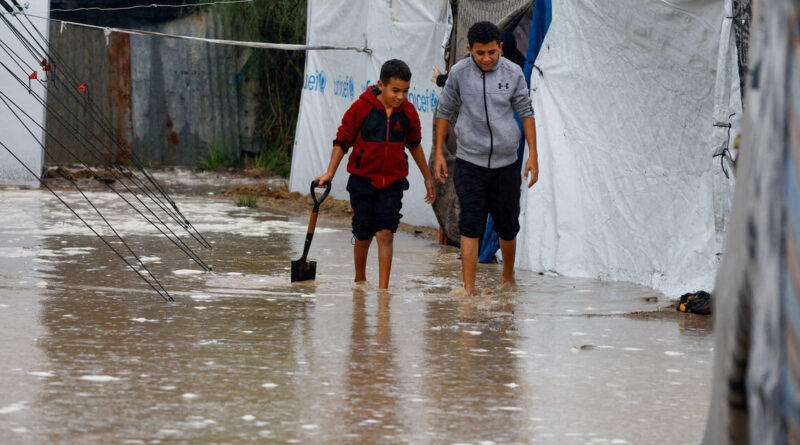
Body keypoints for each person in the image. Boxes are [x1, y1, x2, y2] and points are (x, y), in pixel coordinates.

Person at [432, 21, 539, 295]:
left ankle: (507, 280)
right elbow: (444, 111)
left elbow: (526, 113)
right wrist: (438, 154)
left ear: (500, 48)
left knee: (508, 226)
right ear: (470, 50)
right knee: (470, 224)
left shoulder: (514, 73)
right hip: (470, 163)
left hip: (506, 164)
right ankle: (468, 291)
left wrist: (533, 155)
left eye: (492, 52)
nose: (487, 58)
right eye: (480, 53)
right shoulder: (458, 74)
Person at [315, 59, 436, 289]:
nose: (401, 96)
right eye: (396, 90)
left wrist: (427, 177)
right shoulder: (361, 108)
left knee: (386, 233)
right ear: (381, 85)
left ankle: (383, 292)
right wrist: (330, 172)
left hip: (393, 182)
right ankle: (360, 280)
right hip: (362, 181)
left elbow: (415, 145)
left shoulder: (408, 113)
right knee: (363, 234)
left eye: (406, 91)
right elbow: (342, 141)